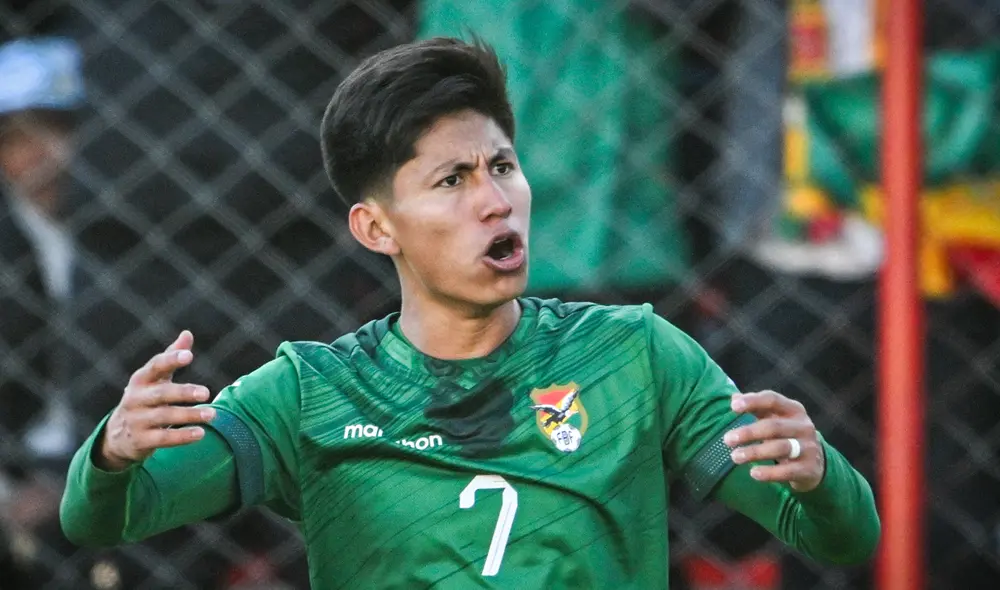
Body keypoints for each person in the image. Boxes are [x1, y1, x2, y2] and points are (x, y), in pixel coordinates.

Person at [60, 37, 880, 589]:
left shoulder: (633, 355)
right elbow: (103, 520)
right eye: (452, 181)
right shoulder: (307, 393)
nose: (496, 202)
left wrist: (819, 477)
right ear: (376, 227)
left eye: (503, 166)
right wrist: (112, 455)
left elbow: (841, 539)